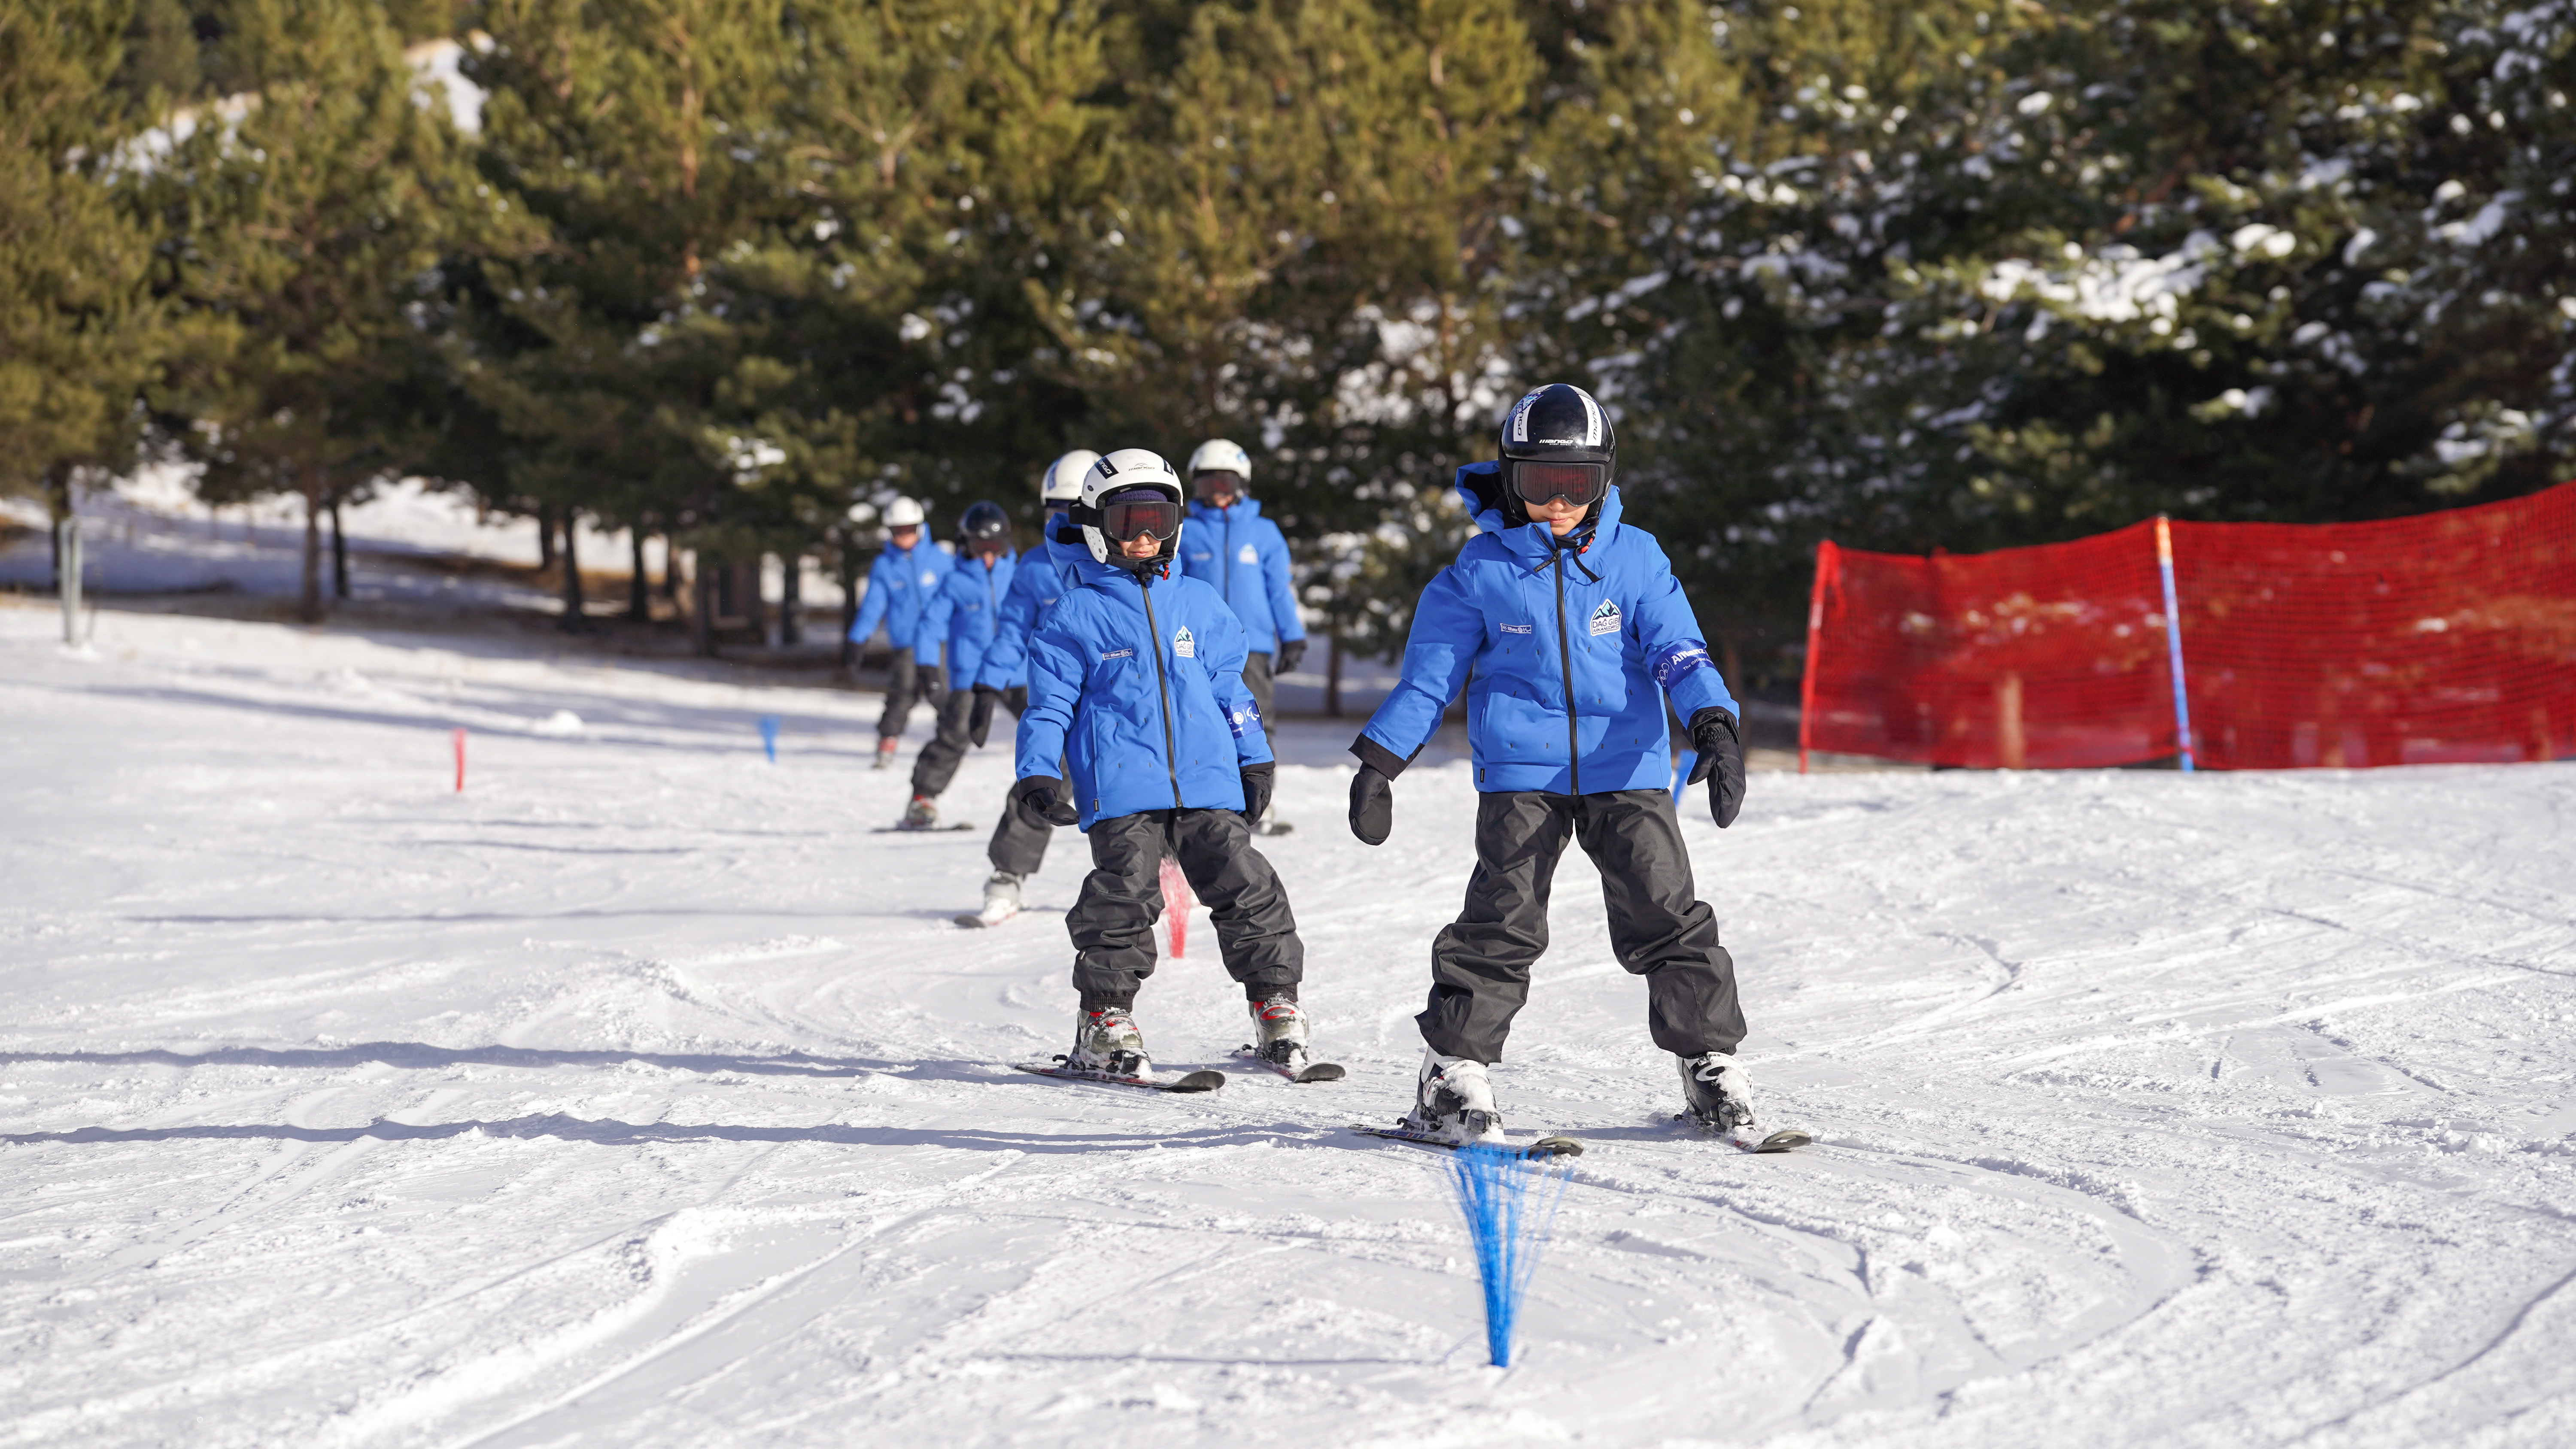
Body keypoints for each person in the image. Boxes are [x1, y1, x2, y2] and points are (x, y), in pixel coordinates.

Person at [1346, 383, 1753, 1144]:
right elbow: (1429, 678)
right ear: (1510, 479)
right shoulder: (1480, 570)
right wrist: (1380, 760)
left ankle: (1709, 1062)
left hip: (1626, 766)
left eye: (1577, 485)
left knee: (1667, 911)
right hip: (1521, 775)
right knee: (1503, 919)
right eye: (1539, 485)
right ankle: (1453, 1072)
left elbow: (1678, 648)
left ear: (1604, 479)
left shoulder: (1636, 556)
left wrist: (1713, 721)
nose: (1559, 504)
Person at [1012, 448, 1316, 1078]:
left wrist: (1254, 759)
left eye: (1158, 520)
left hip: (1207, 779)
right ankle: (1105, 1019)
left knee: (1247, 885)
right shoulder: (1076, 614)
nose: (1146, 537)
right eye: (1129, 522)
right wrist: (1037, 772)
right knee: (1123, 894)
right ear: (1098, 526)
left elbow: (1234, 692)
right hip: (1123, 787)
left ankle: (1275, 1005)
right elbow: (1048, 706)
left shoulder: (1201, 604)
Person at [958, 449, 1097, 924]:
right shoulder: (1036, 566)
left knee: (1146, 793)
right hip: (1061, 702)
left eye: (1074, 510)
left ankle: (1165, 872)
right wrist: (985, 685)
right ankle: (1007, 874)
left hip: (1120, 704)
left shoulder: (1126, 562)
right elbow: (1013, 633)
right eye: (1055, 510)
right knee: (1038, 782)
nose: (1064, 521)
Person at [1180, 440, 1307, 834]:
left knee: (1253, 724)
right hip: (1195, 649)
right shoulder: (1185, 531)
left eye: (1225, 481)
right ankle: (1199, 805)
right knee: (1195, 723)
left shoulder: (1264, 532)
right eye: (1207, 483)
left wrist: (1293, 636)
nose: (1217, 491)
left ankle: (1259, 806)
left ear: (1242, 484)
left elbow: (1278, 590)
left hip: (1252, 650)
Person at [898, 501, 1016, 829]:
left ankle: (1079, 791)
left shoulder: (1021, 576)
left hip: (1018, 670)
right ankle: (923, 799)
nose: (989, 556)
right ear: (965, 544)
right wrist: (928, 670)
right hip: (972, 674)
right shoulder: (955, 582)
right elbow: (929, 626)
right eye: (981, 547)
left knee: (1057, 727)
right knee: (954, 733)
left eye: (996, 547)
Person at [846, 498, 954, 771]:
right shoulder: (885, 565)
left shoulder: (941, 560)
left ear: (919, 527)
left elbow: (961, 596)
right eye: (897, 530)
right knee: (902, 693)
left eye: (908, 529)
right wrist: (857, 639)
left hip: (939, 641)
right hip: (906, 643)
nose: (903, 536)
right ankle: (887, 742)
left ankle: (954, 741)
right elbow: (873, 605)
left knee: (942, 693)